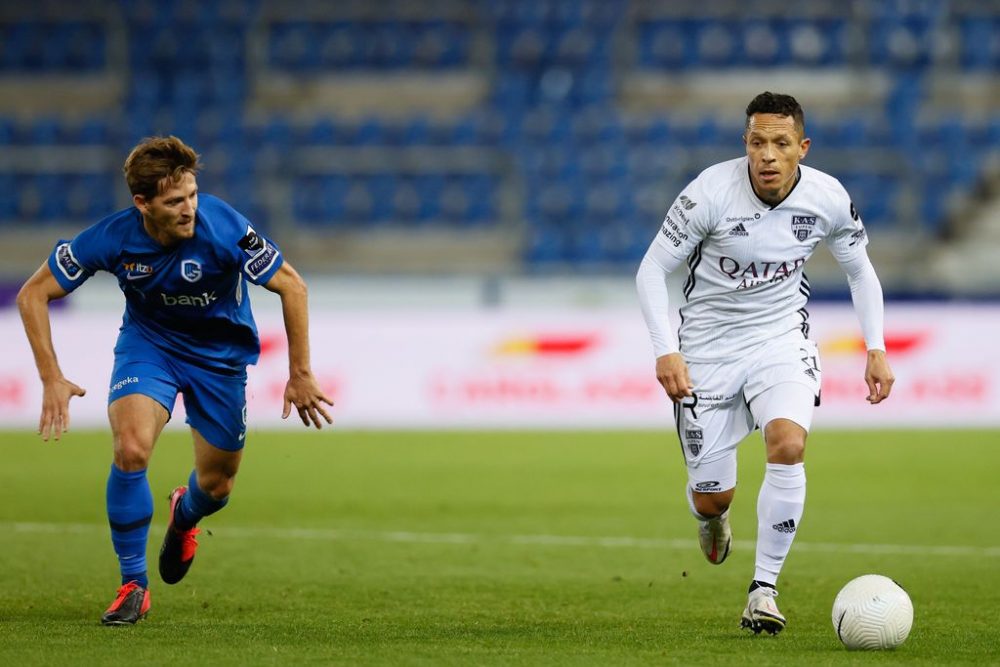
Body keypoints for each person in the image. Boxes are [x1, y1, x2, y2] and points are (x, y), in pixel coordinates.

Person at [17, 136, 334, 626]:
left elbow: (292, 284)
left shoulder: (225, 225)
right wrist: (51, 376)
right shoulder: (112, 238)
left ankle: (184, 513)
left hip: (220, 359)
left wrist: (300, 372)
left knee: (218, 484)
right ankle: (132, 585)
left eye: (192, 195)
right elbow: (33, 293)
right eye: (174, 202)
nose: (189, 209)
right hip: (151, 349)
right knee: (131, 448)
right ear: (142, 204)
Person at [635, 92, 894, 635]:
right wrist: (666, 349)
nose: (768, 155)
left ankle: (763, 590)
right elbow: (651, 269)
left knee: (789, 444)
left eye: (780, 143)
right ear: (745, 145)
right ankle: (712, 518)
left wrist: (875, 346)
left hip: (781, 339)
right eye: (757, 142)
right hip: (707, 349)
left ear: (802, 147)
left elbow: (860, 270)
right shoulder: (709, 193)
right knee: (713, 496)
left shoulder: (826, 197)